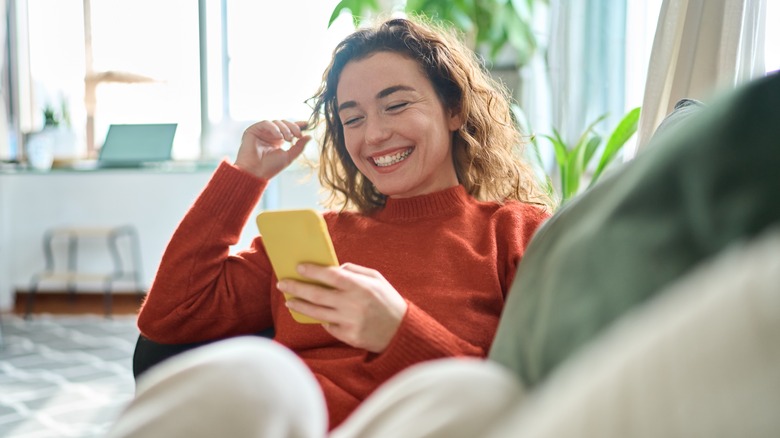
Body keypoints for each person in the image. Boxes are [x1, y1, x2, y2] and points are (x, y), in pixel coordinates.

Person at [111, 16, 551, 436]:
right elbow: (169, 318)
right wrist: (244, 178)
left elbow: (529, 395)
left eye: (395, 105)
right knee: (261, 371)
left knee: (482, 390)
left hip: (423, 424)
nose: (374, 134)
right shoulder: (317, 240)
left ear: (453, 109)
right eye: (352, 118)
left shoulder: (515, 233)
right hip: (297, 423)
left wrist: (398, 331)